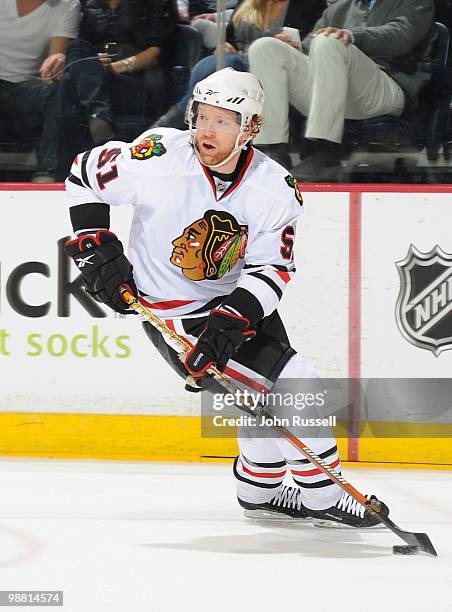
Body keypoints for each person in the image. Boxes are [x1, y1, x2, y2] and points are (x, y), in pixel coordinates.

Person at [64, 67, 388, 527]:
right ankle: (323, 497)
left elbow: (271, 269)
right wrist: (96, 243)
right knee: (300, 386)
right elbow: (83, 175)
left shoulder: (273, 188)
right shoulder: (156, 154)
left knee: (266, 394)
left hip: (240, 302)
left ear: (250, 128)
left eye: (222, 120)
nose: (205, 130)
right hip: (179, 320)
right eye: (201, 117)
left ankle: (259, 490)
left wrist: (231, 320)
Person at [248, 0, 436, 180]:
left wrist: (351, 36)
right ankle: (272, 151)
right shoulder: (341, 6)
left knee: (330, 40)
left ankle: (325, 153)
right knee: (265, 47)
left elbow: (402, 36)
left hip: (386, 85)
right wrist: (296, 49)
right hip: (333, 88)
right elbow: (311, 45)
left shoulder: (415, 2)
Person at [152, 0, 326, 169]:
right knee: (213, 63)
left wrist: (293, 46)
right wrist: (225, 47)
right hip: (238, 61)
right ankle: (181, 126)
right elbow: (230, 38)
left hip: (273, 68)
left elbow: (306, 45)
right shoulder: (248, 2)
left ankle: (172, 124)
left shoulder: (308, 4)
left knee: (217, 66)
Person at [36, 0, 178, 182]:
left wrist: (117, 66)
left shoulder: (157, 4)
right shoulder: (94, 5)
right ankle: (98, 115)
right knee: (75, 48)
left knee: (70, 86)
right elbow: (84, 48)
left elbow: (156, 53)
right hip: (95, 77)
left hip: (134, 77)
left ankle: (55, 171)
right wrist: (93, 64)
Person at [0, 0, 81, 183]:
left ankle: (46, 174)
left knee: (58, 89)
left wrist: (57, 59)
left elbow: (55, 56)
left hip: (24, 86)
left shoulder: (67, 5)